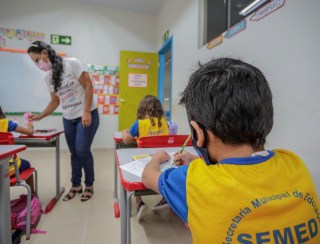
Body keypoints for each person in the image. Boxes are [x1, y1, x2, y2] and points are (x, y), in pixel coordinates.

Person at [142, 58, 320, 243]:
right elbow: (243, 173)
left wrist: (156, 158)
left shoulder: (190, 181)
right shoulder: (293, 163)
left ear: (197, 133)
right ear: (268, 119)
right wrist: (197, 161)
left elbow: (148, 176)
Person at [27, 41, 99, 202]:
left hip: (86, 114)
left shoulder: (71, 64)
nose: (37, 64)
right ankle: (76, 185)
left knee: (82, 150)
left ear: (45, 53)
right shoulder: (48, 77)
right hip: (68, 118)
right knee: (74, 152)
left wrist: (86, 111)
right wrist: (40, 116)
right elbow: (55, 101)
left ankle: (89, 185)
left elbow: (88, 86)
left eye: (36, 59)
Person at [122, 95, 170, 221]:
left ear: (143, 110)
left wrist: (125, 132)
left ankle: (139, 203)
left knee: (132, 166)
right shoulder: (165, 123)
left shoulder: (139, 124)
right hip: (163, 162)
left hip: (144, 164)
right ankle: (165, 200)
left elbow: (126, 140)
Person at [0, 106, 35, 191]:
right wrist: (29, 125)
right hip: (7, 168)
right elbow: (30, 132)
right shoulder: (5, 123)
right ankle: (33, 196)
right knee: (26, 164)